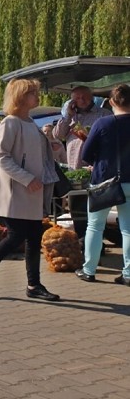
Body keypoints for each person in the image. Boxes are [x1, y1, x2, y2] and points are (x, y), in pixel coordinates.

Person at [0, 78, 59, 301]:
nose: (37, 96)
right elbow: (1, 155)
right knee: (16, 236)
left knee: (33, 236)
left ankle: (33, 285)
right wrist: (26, 178)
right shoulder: (10, 122)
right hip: (16, 189)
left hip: (31, 189)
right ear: (20, 97)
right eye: (32, 93)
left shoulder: (31, 122)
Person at [76, 84, 130, 284]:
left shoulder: (102, 123)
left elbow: (86, 154)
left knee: (95, 226)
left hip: (104, 182)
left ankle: (89, 270)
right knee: (128, 229)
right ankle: (128, 274)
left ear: (112, 102)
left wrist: (96, 163)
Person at [55, 85, 112, 169]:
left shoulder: (104, 114)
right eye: (77, 98)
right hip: (73, 165)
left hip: (94, 166)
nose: (82, 100)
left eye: (85, 97)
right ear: (72, 101)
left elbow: (110, 140)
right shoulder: (70, 117)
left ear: (92, 97)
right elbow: (58, 135)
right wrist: (68, 116)